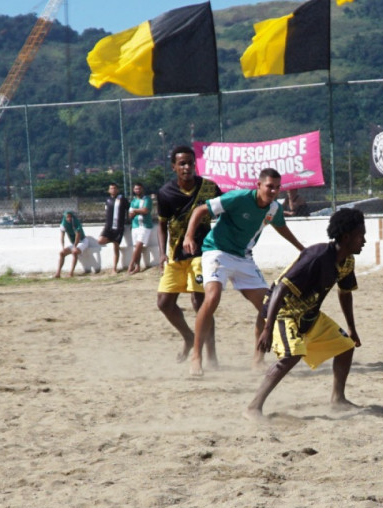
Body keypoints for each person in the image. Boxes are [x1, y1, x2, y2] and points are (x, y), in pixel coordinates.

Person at [245, 208, 367, 421]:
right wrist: (267, 328)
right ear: (346, 237)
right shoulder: (317, 256)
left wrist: (352, 328)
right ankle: (253, 408)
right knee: (292, 354)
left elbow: (345, 294)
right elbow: (281, 288)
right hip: (283, 312)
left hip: (309, 313)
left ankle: (338, 399)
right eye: (360, 235)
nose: (364, 240)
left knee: (346, 346)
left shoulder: (347, 261)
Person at [183, 167, 305, 377]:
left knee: (268, 306)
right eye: (269, 186)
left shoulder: (274, 208)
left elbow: (281, 227)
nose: (274, 191)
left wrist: (302, 249)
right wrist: (188, 236)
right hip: (217, 251)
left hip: (243, 257)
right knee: (212, 298)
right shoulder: (239, 198)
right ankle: (197, 356)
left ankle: (257, 359)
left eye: (277, 187)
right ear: (258, 185)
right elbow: (200, 210)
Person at [156, 145, 221, 363]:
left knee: (200, 303)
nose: (187, 167)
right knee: (164, 302)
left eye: (190, 163)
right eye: (182, 163)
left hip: (204, 253)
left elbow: (225, 211)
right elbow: (162, 225)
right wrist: (162, 253)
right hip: (176, 254)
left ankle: (211, 355)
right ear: (174, 167)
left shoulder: (209, 188)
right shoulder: (165, 193)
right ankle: (189, 337)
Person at [97, 182, 130, 273]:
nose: (113, 190)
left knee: (116, 247)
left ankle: (114, 268)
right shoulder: (107, 200)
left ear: (117, 189)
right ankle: (112, 240)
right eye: (111, 188)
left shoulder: (122, 199)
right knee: (100, 241)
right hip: (108, 226)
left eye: (115, 188)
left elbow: (129, 209)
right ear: (108, 190)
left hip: (118, 227)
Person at [56, 210, 96, 278]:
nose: (69, 218)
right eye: (67, 217)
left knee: (75, 252)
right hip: (74, 242)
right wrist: (63, 247)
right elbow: (62, 236)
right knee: (61, 253)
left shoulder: (75, 222)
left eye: (70, 217)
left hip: (82, 241)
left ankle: (71, 273)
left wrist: (75, 246)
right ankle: (58, 273)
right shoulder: (63, 224)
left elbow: (78, 235)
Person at [127, 182, 155, 274]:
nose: (137, 190)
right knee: (137, 247)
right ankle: (137, 266)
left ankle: (130, 265)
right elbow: (130, 215)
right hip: (135, 226)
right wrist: (137, 211)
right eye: (136, 189)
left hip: (145, 226)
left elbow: (145, 210)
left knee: (139, 246)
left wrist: (135, 211)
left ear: (142, 189)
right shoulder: (133, 201)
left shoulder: (147, 199)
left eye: (139, 188)